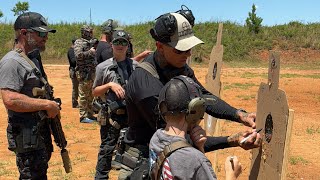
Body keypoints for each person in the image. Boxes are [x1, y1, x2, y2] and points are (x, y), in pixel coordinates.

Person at [119, 9, 261, 179]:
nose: (188, 54)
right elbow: (182, 139)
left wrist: (239, 115)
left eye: (189, 48)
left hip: (169, 153)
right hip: (144, 159)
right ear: (159, 47)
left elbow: (203, 96)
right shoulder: (146, 85)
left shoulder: (179, 67)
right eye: (181, 50)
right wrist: (232, 140)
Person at [149, 75, 245, 179]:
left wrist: (199, 147)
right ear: (195, 109)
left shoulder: (156, 139)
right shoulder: (195, 159)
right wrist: (232, 175)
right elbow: (193, 163)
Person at [0, 12, 59, 179]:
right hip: (27, 134)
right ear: (24, 33)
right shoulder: (12, 62)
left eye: (46, 33)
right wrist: (46, 105)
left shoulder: (31, 58)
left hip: (38, 131)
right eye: (41, 33)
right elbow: (10, 99)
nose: (45, 37)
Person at [92, 29, 139, 179]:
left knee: (132, 151)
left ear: (128, 45)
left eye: (123, 42)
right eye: (117, 42)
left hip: (132, 116)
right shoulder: (102, 67)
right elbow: (94, 91)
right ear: (111, 45)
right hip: (112, 118)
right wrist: (109, 85)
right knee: (106, 150)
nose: (120, 45)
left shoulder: (136, 66)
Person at [74, 25, 97, 123]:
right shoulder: (79, 42)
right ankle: (83, 116)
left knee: (91, 94)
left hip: (91, 72)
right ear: (84, 32)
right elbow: (78, 55)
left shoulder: (91, 42)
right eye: (89, 32)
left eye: (91, 32)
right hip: (83, 72)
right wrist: (90, 52)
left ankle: (90, 114)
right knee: (83, 94)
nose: (91, 33)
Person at [67, 38, 79, 108]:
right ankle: (74, 103)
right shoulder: (71, 51)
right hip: (73, 71)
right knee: (75, 87)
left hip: (75, 70)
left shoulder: (74, 50)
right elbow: (73, 61)